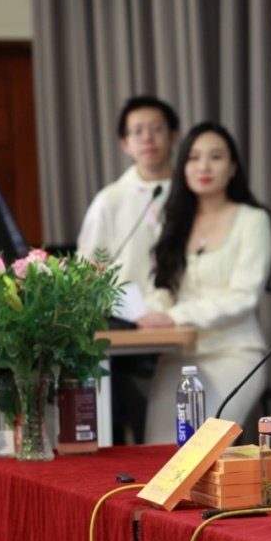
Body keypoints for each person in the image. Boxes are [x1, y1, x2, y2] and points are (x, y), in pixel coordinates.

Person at [138, 122, 271, 443]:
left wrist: (174, 316)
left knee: (200, 447)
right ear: (183, 166)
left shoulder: (252, 220)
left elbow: (243, 297)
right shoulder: (173, 222)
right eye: (194, 157)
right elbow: (162, 288)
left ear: (232, 168)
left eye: (215, 157)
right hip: (178, 356)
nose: (204, 166)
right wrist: (148, 314)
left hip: (233, 352)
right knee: (158, 448)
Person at [76, 95, 179, 443]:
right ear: (125, 143)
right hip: (129, 331)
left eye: (156, 129)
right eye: (137, 131)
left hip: (184, 324)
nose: (147, 138)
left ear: (174, 135)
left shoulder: (194, 192)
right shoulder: (110, 200)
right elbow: (89, 269)